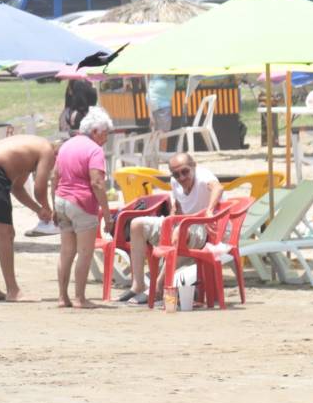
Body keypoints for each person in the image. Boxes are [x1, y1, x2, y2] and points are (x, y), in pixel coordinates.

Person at [117, 152, 223, 304]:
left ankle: (159, 286)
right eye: (176, 174)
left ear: (194, 166)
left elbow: (218, 188)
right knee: (137, 224)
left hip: (206, 229)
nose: (181, 177)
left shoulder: (203, 177)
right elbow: (179, 206)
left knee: (180, 231)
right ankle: (138, 284)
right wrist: (173, 216)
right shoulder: (175, 182)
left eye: (185, 171)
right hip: (185, 225)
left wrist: (209, 211)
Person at [0, 133, 56, 303]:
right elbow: (40, 188)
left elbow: (17, 188)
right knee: (6, 233)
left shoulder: (32, 148)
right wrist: (49, 209)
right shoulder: (48, 150)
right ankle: (13, 291)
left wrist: (38, 209)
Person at [53, 108, 112, 308]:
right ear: (95, 131)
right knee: (85, 251)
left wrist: (54, 205)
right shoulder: (94, 150)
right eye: (105, 133)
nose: (106, 138)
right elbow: (97, 183)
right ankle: (79, 297)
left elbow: (55, 176)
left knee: (66, 251)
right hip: (82, 202)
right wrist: (107, 213)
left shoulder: (66, 146)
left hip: (61, 199)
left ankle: (62, 297)